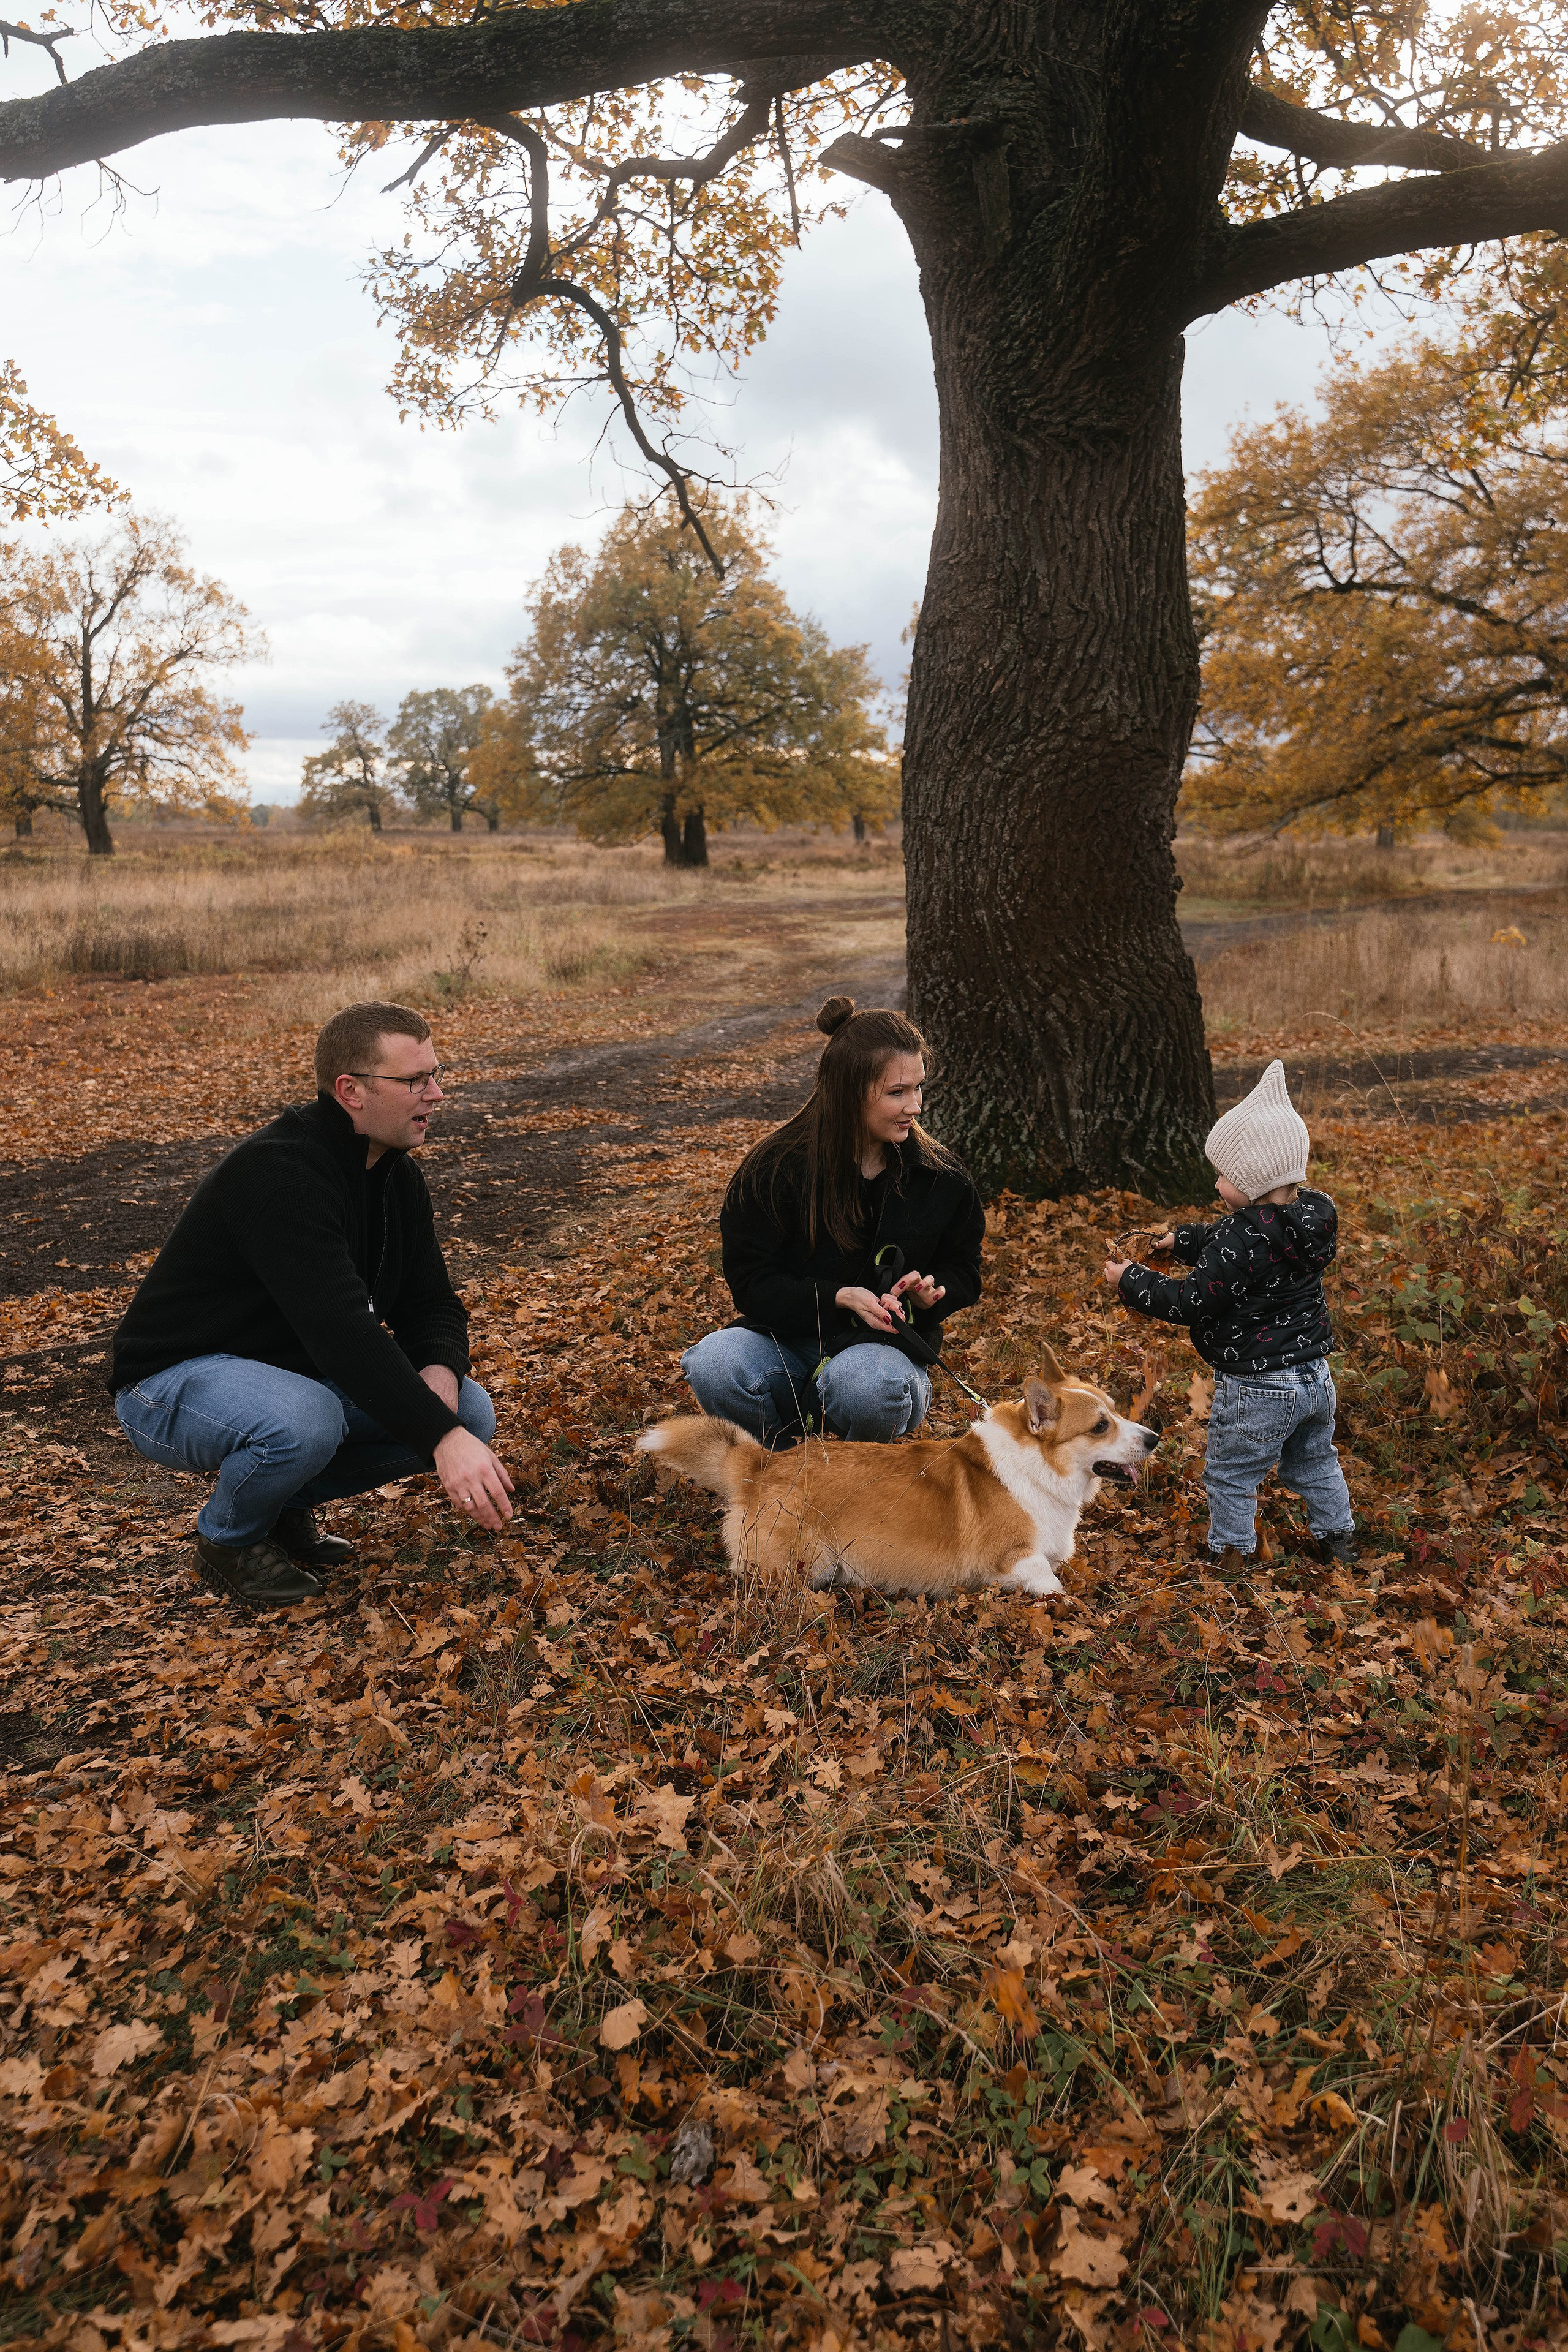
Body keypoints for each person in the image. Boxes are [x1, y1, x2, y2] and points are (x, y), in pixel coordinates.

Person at [110, 1001, 512, 1608]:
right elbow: (341, 1332)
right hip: (170, 1381)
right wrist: (440, 1440)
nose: (436, 1093)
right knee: (309, 1419)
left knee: (470, 1412)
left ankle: (282, 1507)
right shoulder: (280, 1174)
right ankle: (229, 1540)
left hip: (291, 1374)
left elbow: (430, 1300)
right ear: (350, 1090)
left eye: (436, 1073)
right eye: (414, 1080)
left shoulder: (394, 1177)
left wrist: (438, 1368)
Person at [682, 997, 986, 1445]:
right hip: (783, 1342)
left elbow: (965, 1267)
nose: (916, 1106)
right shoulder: (774, 1169)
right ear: (848, 1092)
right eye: (897, 1092)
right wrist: (838, 1297)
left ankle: (854, 1482)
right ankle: (777, 1471)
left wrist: (932, 1294)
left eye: (919, 1088)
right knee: (713, 1362)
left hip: (881, 1355)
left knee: (866, 1388)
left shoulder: (940, 1177)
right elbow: (751, 1279)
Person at [1102, 1058, 1357, 1572]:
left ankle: (1234, 1557)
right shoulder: (1306, 1218)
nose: (1217, 1184)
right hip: (1315, 1378)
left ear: (1254, 1178)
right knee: (1315, 1461)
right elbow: (1231, 1239)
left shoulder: (1245, 1235)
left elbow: (1188, 1301)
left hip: (1259, 1385)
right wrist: (1182, 1241)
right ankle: (1340, 1543)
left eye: (1224, 1174)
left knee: (1230, 1473)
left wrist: (1130, 1279)